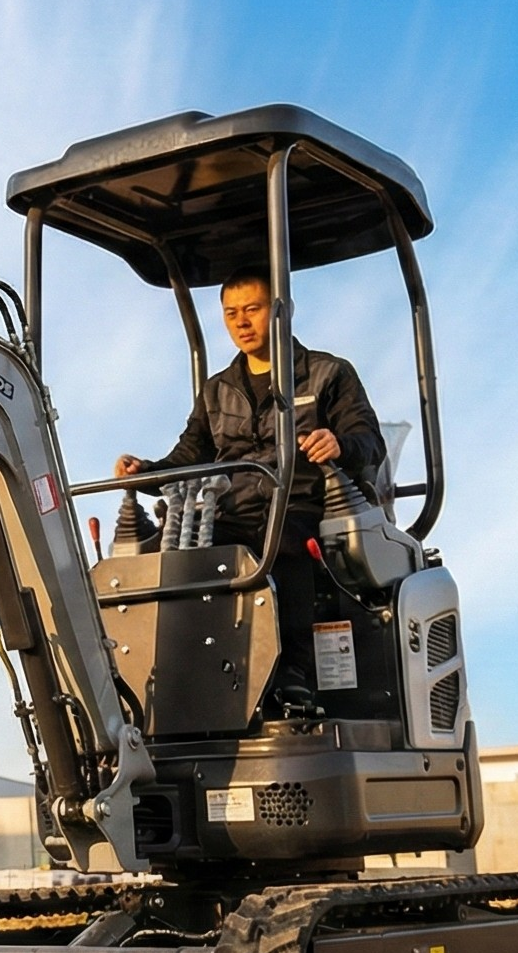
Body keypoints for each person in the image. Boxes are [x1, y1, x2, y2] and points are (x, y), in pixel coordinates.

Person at [112, 269, 386, 697]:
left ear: (282, 311)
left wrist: (339, 443)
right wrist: (144, 472)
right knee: (174, 549)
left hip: (307, 504)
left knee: (281, 533)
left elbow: (370, 442)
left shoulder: (328, 374)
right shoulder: (217, 390)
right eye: (231, 313)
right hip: (232, 510)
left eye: (252, 310)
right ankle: (175, 673)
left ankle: (294, 668)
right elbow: (188, 457)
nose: (241, 322)